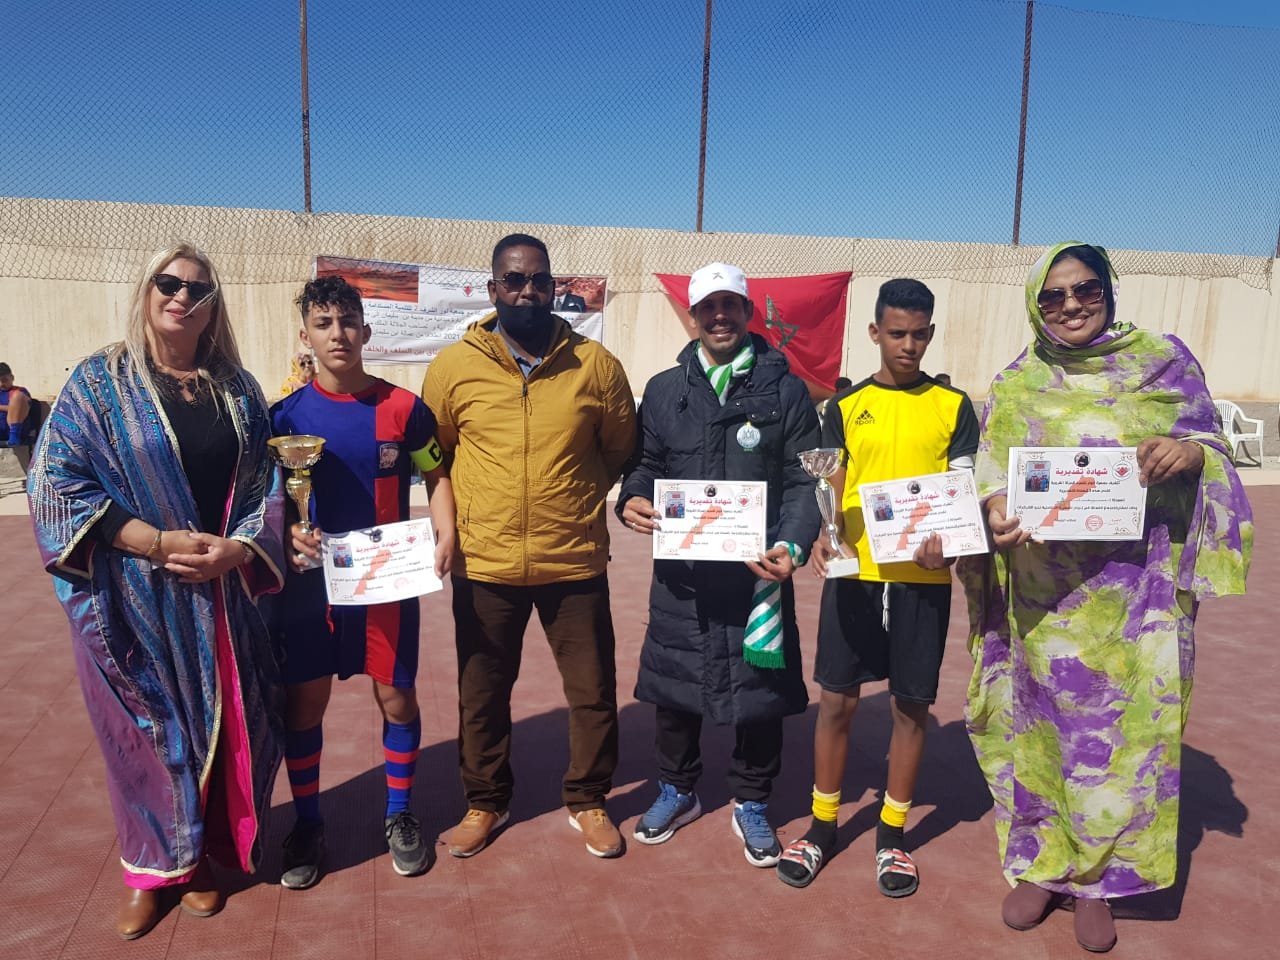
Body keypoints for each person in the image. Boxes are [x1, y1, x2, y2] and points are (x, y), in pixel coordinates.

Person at [960, 242, 1252, 953]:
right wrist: (993, 508)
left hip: (1135, 602)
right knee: (1039, 735)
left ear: (1109, 291)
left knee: (1124, 743)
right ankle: (1044, 864)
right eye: (1053, 295)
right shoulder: (1019, 380)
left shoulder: (1162, 362)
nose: (1071, 305)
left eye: (1086, 289)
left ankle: (1098, 881)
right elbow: (990, 472)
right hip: (1044, 605)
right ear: (1036, 305)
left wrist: (1191, 455)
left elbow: (1211, 444)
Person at [26, 243, 286, 939]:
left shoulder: (237, 390)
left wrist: (239, 550)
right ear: (146, 291)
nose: (181, 297)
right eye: (168, 283)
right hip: (130, 594)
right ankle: (151, 869)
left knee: (217, 721)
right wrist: (154, 541)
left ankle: (199, 860)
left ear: (213, 307)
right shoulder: (98, 383)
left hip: (218, 591)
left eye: (198, 290)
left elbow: (265, 485)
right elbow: (54, 481)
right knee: (143, 733)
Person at [421, 234, 636, 860]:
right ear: (493, 289)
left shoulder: (595, 365)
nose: (527, 291)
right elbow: (435, 455)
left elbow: (620, 448)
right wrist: (453, 526)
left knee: (592, 691)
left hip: (573, 558)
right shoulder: (453, 367)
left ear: (554, 288)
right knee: (482, 694)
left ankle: (588, 799)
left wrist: (574, 500)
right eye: (514, 280)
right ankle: (485, 801)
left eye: (539, 280)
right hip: (485, 562)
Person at [775, 279, 978, 896]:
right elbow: (829, 486)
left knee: (911, 708)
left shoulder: (954, 406)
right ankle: (823, 826)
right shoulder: (844, 406)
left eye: (918, 334)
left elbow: (960, 492)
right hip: (855, 576)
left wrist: (950, 544)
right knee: (836, 703)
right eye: (896, 333)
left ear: (931, 334)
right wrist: (823, 536)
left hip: (922, 579)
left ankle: (892, 836)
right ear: (875, 333)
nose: (907, 345)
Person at [618, 261, 820, 868]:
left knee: (760, 693)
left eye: (730, 305)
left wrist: (792, 546)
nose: (719, 316)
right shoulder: (663, 389)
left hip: (758, 576)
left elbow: (802, 481)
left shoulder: (785, 390)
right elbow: (646, 464)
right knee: (675, 687)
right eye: (708, 307)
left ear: (747, 312)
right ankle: (676, 789)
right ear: (694, 316)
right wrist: (633, 497)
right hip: (683, 578)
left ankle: (752, 800)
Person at [270, 275, 455, 886]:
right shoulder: (283, 418)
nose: (338, 334)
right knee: (305, 703)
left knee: (397, 697)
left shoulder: (404, 408)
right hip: (309, 587)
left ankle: (399, 813)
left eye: (348, 322)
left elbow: (437, 474)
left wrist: (447, 530)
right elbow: (266, 506)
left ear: (366, 331)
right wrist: (286, 535)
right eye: (323, 324)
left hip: (385, 582)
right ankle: (308, 822)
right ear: (306, 336)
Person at [0, 361, 38, 448]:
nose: (1, 384)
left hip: (16, 430)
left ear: (12, 378)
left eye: (4, 380)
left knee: (18, 396)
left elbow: (18, 408)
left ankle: (14, 436)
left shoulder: (20, 392)